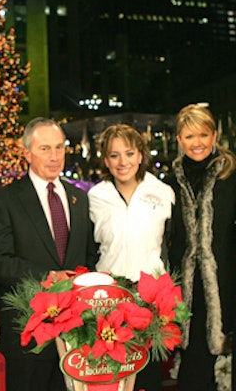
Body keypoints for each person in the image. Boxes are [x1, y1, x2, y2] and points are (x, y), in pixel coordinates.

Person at [0, 117, 98, 391]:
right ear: (27, 153)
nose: (55, 156)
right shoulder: (6, 199)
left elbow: (89, 257)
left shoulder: (79, 199)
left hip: (74, 334)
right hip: (28, 335)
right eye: (45, 148)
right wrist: (48, 277)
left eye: (59, 148)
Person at [88, 124, 174, 391]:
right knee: (110, 376)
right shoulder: (95, 196)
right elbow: (89, 249)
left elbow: (171, 245)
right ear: (105, 160)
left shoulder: (163, 192)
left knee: (146, 375)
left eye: (129, 153)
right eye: (114, 155)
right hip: (106, 299)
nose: (122, 162)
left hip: (149, 300)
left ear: (140, 155)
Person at [164, 104, 236, 391]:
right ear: (179, 140)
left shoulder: (230, 178)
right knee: (192, 367)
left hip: (226, 287)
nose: (197, 143)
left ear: (214, 136)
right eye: (189, 136)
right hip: (185, 295)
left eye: (203, 135)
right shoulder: (169, 184)